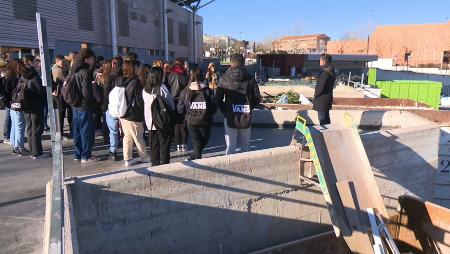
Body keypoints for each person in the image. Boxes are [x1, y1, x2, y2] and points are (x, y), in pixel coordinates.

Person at [215, 54, 261, 155]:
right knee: (245, 147)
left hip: (230, 116)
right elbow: (257, 98)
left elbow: (217, 99)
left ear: (230, 64)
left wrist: (226, 110)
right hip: (245, 116)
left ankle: (229, 169)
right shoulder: (250, 79)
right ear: (244, 64)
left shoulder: (223, 79)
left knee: (230, 147)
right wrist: (248, 108)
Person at [116, 54, 149, 167]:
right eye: (138, 67)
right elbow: (139, 101)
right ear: (133, 68)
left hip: (122, 112)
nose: (139, 69)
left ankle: (128, 159)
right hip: (133, 113)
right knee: (138, 135)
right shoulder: (136, 82)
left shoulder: (120, 80)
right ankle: (144, 157)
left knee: (128, 136)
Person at [178, 68, 215, 160]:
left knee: (196, 141)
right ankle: (197, 160)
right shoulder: (207, 91)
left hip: (191, 121)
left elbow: (180, 109)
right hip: (205, 121)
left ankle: (192, 158)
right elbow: (214, 107)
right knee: (202, 141)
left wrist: (187, 115)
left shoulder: (185, 91)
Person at [71, 49, 99, 163]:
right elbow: (86, 91)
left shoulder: (74, 70)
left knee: (77, 131)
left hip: (75, 105)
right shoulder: (85, 72)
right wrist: (92, 101)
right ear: (86, 59)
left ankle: (78, 154)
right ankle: (86, 156)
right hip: (84, 106)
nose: (93, 61)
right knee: (86, 132)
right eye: (92, 59)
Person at [143, 67, 174, 166]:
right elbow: (171, 104)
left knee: (154, 146)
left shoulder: (145, 90)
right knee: (164, 145)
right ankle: (165, 164)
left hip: (150, 122)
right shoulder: (162, 88)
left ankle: (155, 165)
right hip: (162, 122)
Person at [20, 60, 49, 159]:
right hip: (36, 107)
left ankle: (32, 150)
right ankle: (37, 153)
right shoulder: (35, 77)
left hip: (26, 106)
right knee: (36, 129)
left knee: (29, 129)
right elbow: (40, 91)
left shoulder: (23, 77)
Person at [103, 57, 123, 161]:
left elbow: (106, 93)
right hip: (124, 107)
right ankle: (128, 150)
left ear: (113, 64)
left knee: (113, 131)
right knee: (126, 130)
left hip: (111, 107)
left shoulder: (110, 77)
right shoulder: (125, 76)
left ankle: (113, 151)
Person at [168, 58, 189, 152]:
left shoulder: (169, 74)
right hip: (183, 100)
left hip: (172, 101)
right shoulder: (184, 74)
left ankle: (178, 145)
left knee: (176, 124)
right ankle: (184, 144)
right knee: (184, 123)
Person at [9, 60, 29, 156]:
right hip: (17, 104)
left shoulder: (8, 77)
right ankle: (19, 147)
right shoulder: (16, 78)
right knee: (20, 127)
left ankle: (15, 145)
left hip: (12, 104)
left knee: (15, 126)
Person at [52, 55, 72, 138]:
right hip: (60, 93)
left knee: (59, 113)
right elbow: (66, 80)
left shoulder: (54, 68)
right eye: (62, 61)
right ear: (57, 61)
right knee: (61, 113)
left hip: (56, 93)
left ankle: (59, 132)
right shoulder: (59, 70)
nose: (63, 63)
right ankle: (60, 133)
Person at [313, 53, 336, 125]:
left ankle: (325, 135)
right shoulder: (331, 70)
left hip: (322, 101)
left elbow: (320, 87)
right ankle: (328, 134)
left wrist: (315, 96)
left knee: (323, 121)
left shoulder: (325, 72)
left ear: (323, 61)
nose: (319, 63)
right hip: (327, 100)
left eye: (320, 61)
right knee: (326, 120)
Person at [0, 58, 11, 144]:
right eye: (4, 66)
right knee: (8, 117)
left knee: (8, 116)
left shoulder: (2, 77)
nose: (5, 68)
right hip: (4, 99)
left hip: (5, 99)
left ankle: (7, 136)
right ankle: (6, 136)